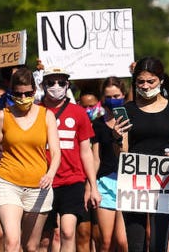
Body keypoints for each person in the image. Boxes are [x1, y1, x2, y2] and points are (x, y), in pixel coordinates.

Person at [0, 67, 62, 252]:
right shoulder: (3, 116)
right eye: (18, 94)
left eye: (28, 93)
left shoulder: (46, 115)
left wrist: (50, 174)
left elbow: (56, 152)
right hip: (7, 182)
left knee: (31, 246)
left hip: (39, 187)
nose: (24, 97)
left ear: (34, 91)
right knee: (11, 243)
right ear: (12, 93)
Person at [121, 57, 169, 252]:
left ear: (160, 80)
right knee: (136, 244)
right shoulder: (128, 110)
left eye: (150, 81)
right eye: (140, 82)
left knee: (159, 242)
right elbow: (123, 152)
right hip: (133, 183)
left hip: (164, 182)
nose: (145, 86)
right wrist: (117, 138)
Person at [37, 66, 98, 252]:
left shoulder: (79, 112)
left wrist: (92, 187)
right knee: (45, 238)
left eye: (61, 82)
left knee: (68, 232)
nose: (56, 86)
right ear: (42, 85)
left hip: (72, 180)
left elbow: (86, 152)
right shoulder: (35, 111)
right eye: (51, 82)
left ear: (67, 85)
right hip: (41, 181)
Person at [91, 77, 131, 252]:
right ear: (102, 99)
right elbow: (95, 158)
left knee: (123, 242)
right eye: (109, 97)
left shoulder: (130, 121)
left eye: (117, 96)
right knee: (106, 242)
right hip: (105, 183)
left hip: (127, 184)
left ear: (123, 95)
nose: (113, 100)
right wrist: (90, 186)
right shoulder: (98, 124)